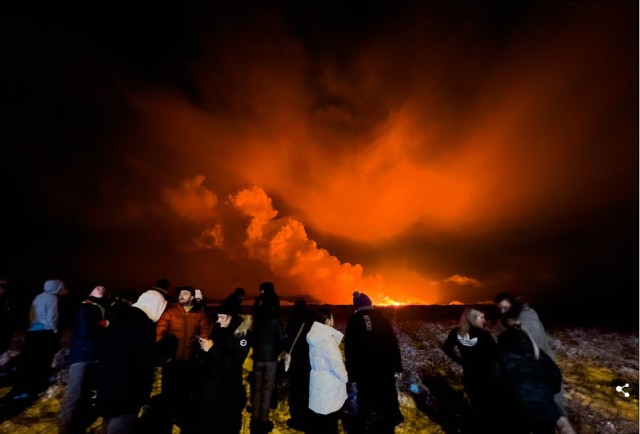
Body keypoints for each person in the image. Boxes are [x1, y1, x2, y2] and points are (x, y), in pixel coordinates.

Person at [494, 293, 576, 434]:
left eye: (505, 307)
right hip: (542, 392)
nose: (502, 311)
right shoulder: (525, 318)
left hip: (529, 391)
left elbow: (498, 378)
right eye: (500, 308)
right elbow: (555, 376)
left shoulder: (524, 323)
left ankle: (562, 422)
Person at [98, 289, 167, 434]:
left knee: (108, 421)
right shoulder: (143, 324)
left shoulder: (118, 318)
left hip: (108, 379)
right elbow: (146, 358)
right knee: (121, 425)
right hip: (129, 385)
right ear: (156, 307)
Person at [345, 291, 403, 434]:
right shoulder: (383, 321)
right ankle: (387, 426)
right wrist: (398, 368)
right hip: (385, 370)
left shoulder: (353, 322)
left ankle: (365, 426)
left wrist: (352, 374)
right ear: (371, 304)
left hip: (364, 373)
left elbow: (350, 351)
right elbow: (393, 345)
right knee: (387, 401)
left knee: (365, 402)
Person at [155, 285, 211, 431]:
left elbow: (205, 334)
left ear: (192, 297)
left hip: (190, 361)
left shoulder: (200, 314)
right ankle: (166, 419)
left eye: (185, 294)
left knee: (186, 392)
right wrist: (163, 355)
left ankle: (182, 419)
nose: (181, 296)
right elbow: (159, 333)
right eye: (180, 294)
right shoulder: (170, 313)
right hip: (171, 361)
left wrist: (200, 353)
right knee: (168, 391)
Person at [196, 296, 252, 434]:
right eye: (218, 317)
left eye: (223, 317)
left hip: (228, 389)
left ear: (232, 317)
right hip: (211, 387)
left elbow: (233, 364)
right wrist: (204, 348)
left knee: (226, 424)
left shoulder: (242, 335)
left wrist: (212, 349)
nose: (219, 321)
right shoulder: (218, 329)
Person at [497, 317, 562, 434]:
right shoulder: (537, 351)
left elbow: (495, 381)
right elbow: (556, 375)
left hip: (518, 410)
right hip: (545, 408)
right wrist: (546, 394)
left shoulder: (500, 354)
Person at [59, 285, 110, 434]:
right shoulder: (84, 306)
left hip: (96, 356)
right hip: (82, 355)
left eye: (103, 288)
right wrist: (103, 324)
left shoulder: (103, 307)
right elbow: (84, 331)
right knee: (74, 393)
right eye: (97, 287)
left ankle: (78, 424)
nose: (101, 289)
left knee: (87, 393)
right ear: (89, 290)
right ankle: (65, 427)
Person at [442, 307, 500, 432]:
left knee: (477, 405)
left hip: (470, 375)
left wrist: (461, 361)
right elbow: (496, 355)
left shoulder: (456, 332)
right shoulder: (484, 335)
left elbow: (446, 348)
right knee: (490, 409)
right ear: (473, 318)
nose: (484, 320)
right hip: (487, 376)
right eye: (481, 317)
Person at [8, 279, 67, 400]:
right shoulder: (53, 298)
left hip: (33, 331)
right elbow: (53, 317)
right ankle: (33, 389)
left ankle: (19, 388)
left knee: (28, 361)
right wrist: (55, 330)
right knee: (41, 362)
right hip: (45, 333)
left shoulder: (39, 296)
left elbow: (32, 314)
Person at [250, 282, 285, 434]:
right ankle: (263, 420)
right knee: (267, 389)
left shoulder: (256, 319)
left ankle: (255, 418)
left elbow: (252, 337)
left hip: (258, 357)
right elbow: (281, 340)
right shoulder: (275, 320)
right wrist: (276, 352)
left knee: (257, 388)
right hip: (270, 358)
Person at [307, 307, 348, 434]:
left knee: (318, 423)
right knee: (330, 424)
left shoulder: (315, 337)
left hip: (318, 384)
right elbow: (336, 366)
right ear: (327, 321)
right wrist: (346, 377)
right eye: (332, 318)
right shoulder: (327, 340)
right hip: (329, 387)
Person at [284, 297, 315, 431]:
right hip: (308, 358)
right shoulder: (310, 316)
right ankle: (308, 418)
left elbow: (289, 335)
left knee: (295, 391)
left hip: (296, 358)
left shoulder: (293, 316)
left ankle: (297, 419)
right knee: (307, 390)